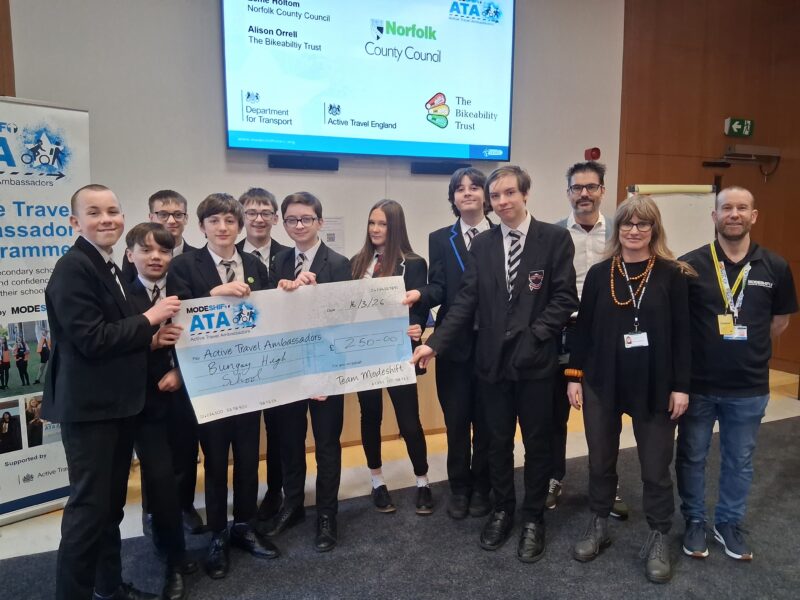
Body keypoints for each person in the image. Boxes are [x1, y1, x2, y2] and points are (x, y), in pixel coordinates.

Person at [413, 166, 578, 563]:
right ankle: (503, 510)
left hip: (536, 364)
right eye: (497, 195)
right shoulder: (483, 245)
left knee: (537, 446)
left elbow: (564, 299)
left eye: (509, 193)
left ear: (525, 193)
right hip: (491, 366)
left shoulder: (554, 239)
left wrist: (534, 335)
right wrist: (433, 344)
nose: (503, 201)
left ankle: (533, 517)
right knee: (497, 443)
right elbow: (466, 300)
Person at [41, 183, 181, 600]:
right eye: (95, 212)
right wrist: (151, 318)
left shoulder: (107, 266)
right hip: (91, 410)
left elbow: (115, 335)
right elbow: (91, 338)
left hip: (117, 406)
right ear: (75, 221)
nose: (107, 219)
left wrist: (152, 341)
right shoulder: (72, 268)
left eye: (113, 211)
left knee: (109, 509)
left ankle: (109, 588)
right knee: (88, 513)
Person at [566, 195, 692, 583]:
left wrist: (681, 388)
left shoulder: (673, 275)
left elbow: (684, 337)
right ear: (617, 229)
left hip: (655, 385)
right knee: (600, 459)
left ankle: (658, 534)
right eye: (627, 224)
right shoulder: (601, 273)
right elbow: (582, 331)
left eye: (643, 224)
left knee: (656, 467)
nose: (634, 231)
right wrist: (574, 377)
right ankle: (599, 523)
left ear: (654, 230)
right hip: (603, 381)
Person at [676, 186, 797, 561]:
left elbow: (779, 322)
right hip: (697, 384)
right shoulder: (690, 264)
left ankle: (728, 522)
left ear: (753, 216)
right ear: (714, 216)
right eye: (726, 208)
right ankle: (695, 520)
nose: (734, 214)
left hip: (748, 386)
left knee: (739, 459)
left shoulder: (774, 266)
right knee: (692, 456)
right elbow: (679, 325)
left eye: (742, 208)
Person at [167, 193, 279, 579]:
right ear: (202, 227)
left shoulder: (253, 264)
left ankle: (244, 526)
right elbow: (174, 310)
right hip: (209, 384)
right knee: (215, 463)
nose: (223, 227)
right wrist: (214, 294)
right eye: (214, 221)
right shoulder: (184, 265)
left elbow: (269, 311)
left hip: (250, 378)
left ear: (240, 225)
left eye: (230, 221)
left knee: (249, 460)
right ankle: (217, 534)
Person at [263, 191, 351, 552]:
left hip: (327, 368)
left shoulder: (340, 263)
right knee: (289, 441)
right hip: (289, 369)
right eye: (292, 220)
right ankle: (293, 503)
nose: (299, 226)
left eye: (306, 219)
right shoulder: (277, 262)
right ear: (283, 224)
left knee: (328, 444)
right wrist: (283, 293)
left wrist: (316, 297)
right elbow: (269, 317)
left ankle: (327, 515)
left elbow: (346, 317)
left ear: (320, 222)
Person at [403, 167, 494, 520]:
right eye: (460, 189)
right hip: (452, 345)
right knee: (456, 422)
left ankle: (483, 486)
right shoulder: (440, 238)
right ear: (453, 198)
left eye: (475, 187)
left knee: (487, 423)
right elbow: (439, 286)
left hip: (491, 344)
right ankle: (459, 488)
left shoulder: (502, 234)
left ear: (486, 195)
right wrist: (419, 294)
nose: (467, 193)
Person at [550, 161, 628, 519]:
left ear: (602, 191)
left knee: (605, 417)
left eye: (591, 187)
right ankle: (553, 478)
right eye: (577, 187)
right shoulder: (550, 235)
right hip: (560, 334)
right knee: (553, 416)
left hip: (605, 338)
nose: (584, 193)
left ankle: (606, 487)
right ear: (568, 192)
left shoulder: (620, 231)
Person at [125, 222, 197, 600]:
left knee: (185, 469)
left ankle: (174, 541)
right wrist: (151, 345)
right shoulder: (123, 294)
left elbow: (203, 341)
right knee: (161, 481)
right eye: (148, 250)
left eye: (164, 251)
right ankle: (173, 560)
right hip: (144, 403)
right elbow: (114, 347)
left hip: (185, 398)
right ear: (130, 254)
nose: (156, 257)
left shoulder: (184, 291)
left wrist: (180, 373)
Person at [354, 199, 433, 515]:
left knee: (409, 421)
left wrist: (417, 327)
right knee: (370, 416)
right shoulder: (356, 262)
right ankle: (376, 481)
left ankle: (423, 482)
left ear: (395, 226)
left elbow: (422, 305)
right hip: (365, 356)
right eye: (372, 223)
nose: (375, 229)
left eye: (383, 224)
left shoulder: (413, 263)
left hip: (399, 353)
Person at [235, 187, 290, 522]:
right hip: (240, 360)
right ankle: (244, 499)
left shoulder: (289, 255)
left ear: (275, 218)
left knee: (278, 429)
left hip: (280, 357)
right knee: (245, 432)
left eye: (265, 212)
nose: (258, 218)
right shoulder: (224, 253)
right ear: (242, 216)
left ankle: (275, 490)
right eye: (251, 212)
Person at [121, 190, 198, 282]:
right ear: (151, 218)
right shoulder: (136, 255)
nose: (171, 221)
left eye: (178, 215)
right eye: (163, 214)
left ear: (186, 219)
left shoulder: (199, 258)